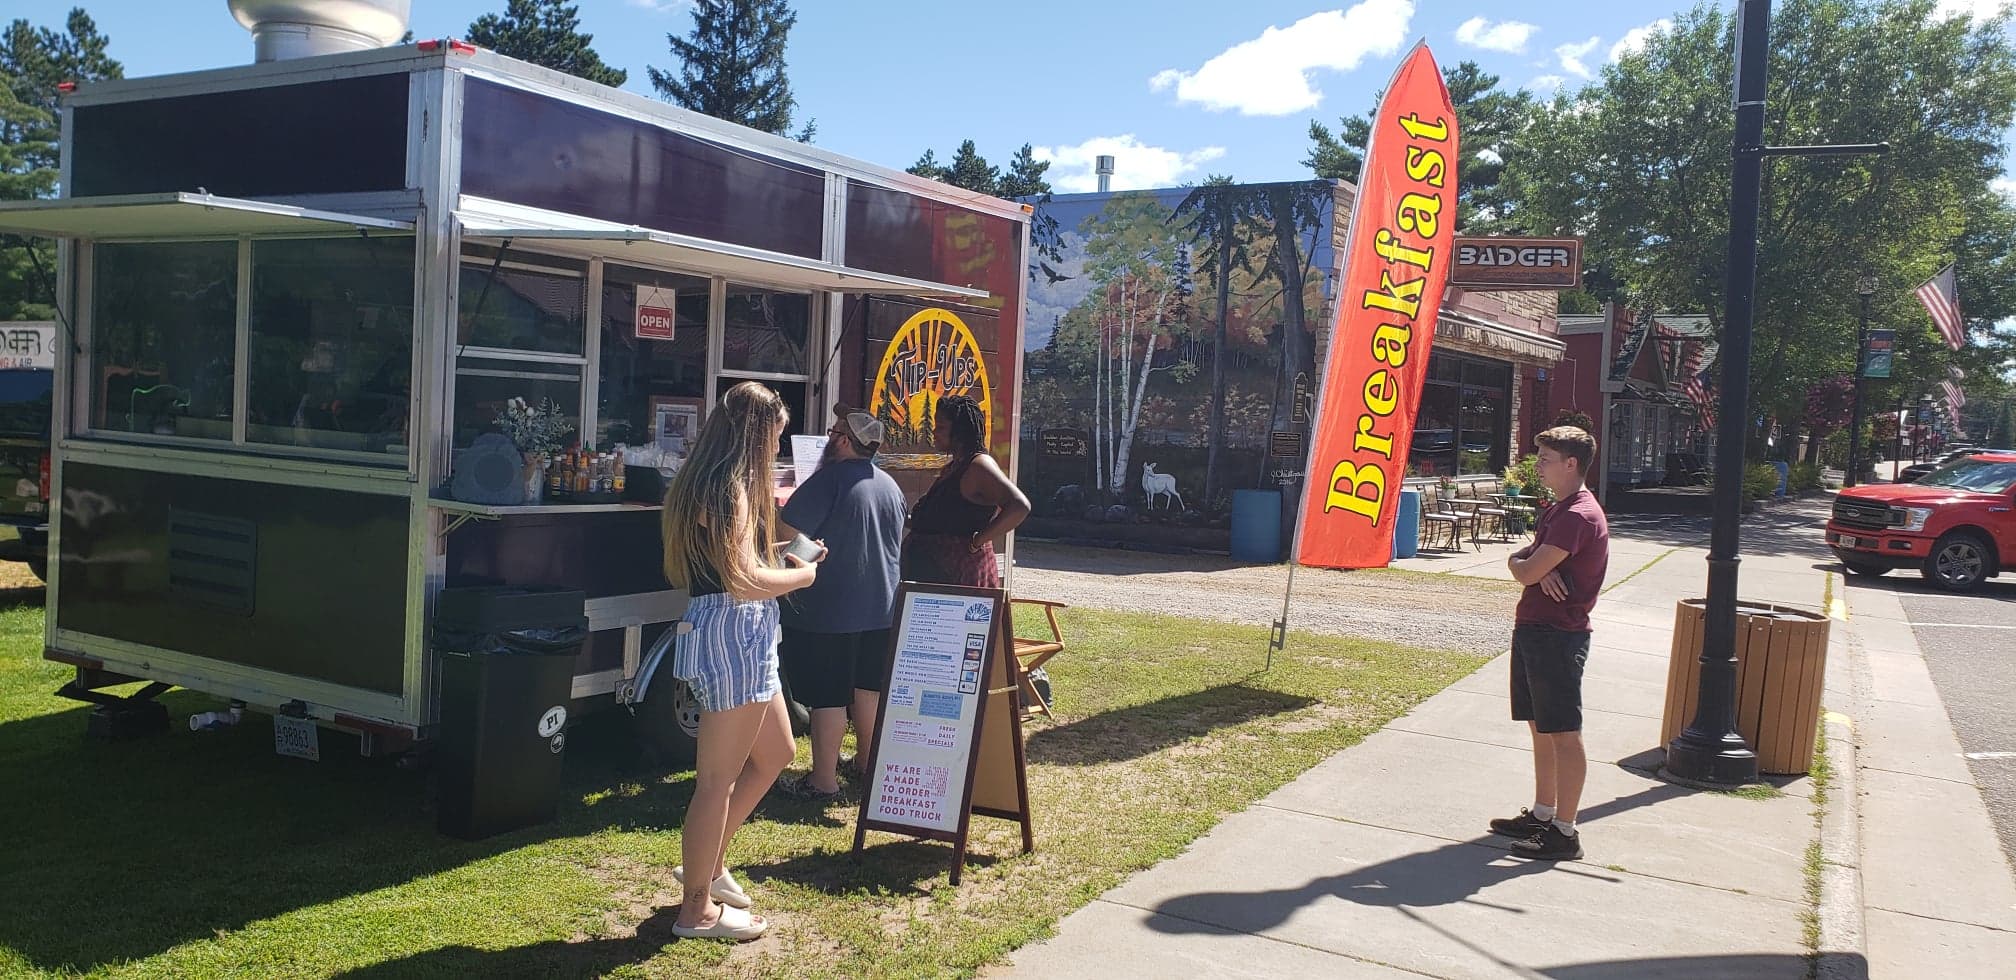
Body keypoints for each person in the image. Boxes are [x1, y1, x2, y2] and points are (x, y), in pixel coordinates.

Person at [659, 381, 824, 942]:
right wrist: (803, 575)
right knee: (716, 781)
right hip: (732, 636)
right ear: (755, 434)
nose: (777, 448)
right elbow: (745, 581)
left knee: (777, 752)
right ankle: (696, 909)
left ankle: (706, 869)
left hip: (740, 634)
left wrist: (781, 556)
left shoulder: (711, 482)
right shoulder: (728, 489)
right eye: (775, 436)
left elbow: (734, 563)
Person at [773, 406, 906, 800]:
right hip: (882, 608)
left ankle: (823, 781)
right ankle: (867, 764)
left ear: (844, 441)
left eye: (833, 433)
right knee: (869, 689)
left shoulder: (827, 480)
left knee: (827, 696)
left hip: (830, 609)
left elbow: (788, 532)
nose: (829, 438)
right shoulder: (891, 486)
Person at [1494, 425, 1610, 861]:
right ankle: (1543, 815)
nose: (1538, 465)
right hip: (1536, 629)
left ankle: (1565, 831)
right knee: (1540, 727)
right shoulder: (1559, 510)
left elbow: (1526, 570)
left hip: (1558, 635)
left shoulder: (1579, 514)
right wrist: (1530, 565)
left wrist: (1531, 568)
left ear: (1571, 464)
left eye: (1545, 459)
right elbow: (1526, 562)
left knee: (1563, 732)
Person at [902, 394, 1031, 588]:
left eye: (941, 427)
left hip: (961, 580)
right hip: (935, 579)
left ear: (960, 431)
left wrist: (978, 541)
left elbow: (1019, 506)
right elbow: (940, 522)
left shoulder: (979, 465)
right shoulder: (955, 466)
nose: (934, 432)